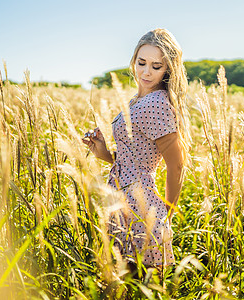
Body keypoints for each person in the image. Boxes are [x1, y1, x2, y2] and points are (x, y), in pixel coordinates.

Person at [82, 28, 191, 268]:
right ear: (134, 61)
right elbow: (135, 160)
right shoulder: (137, 100)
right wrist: (105, 154)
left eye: (156, 66)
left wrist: (167, 214)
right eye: (142, 63)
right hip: (122, 199)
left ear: (168, 69)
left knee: (137, 282)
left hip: (141, 207)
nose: (146, 71)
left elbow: (177, 164)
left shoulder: (155, 103)